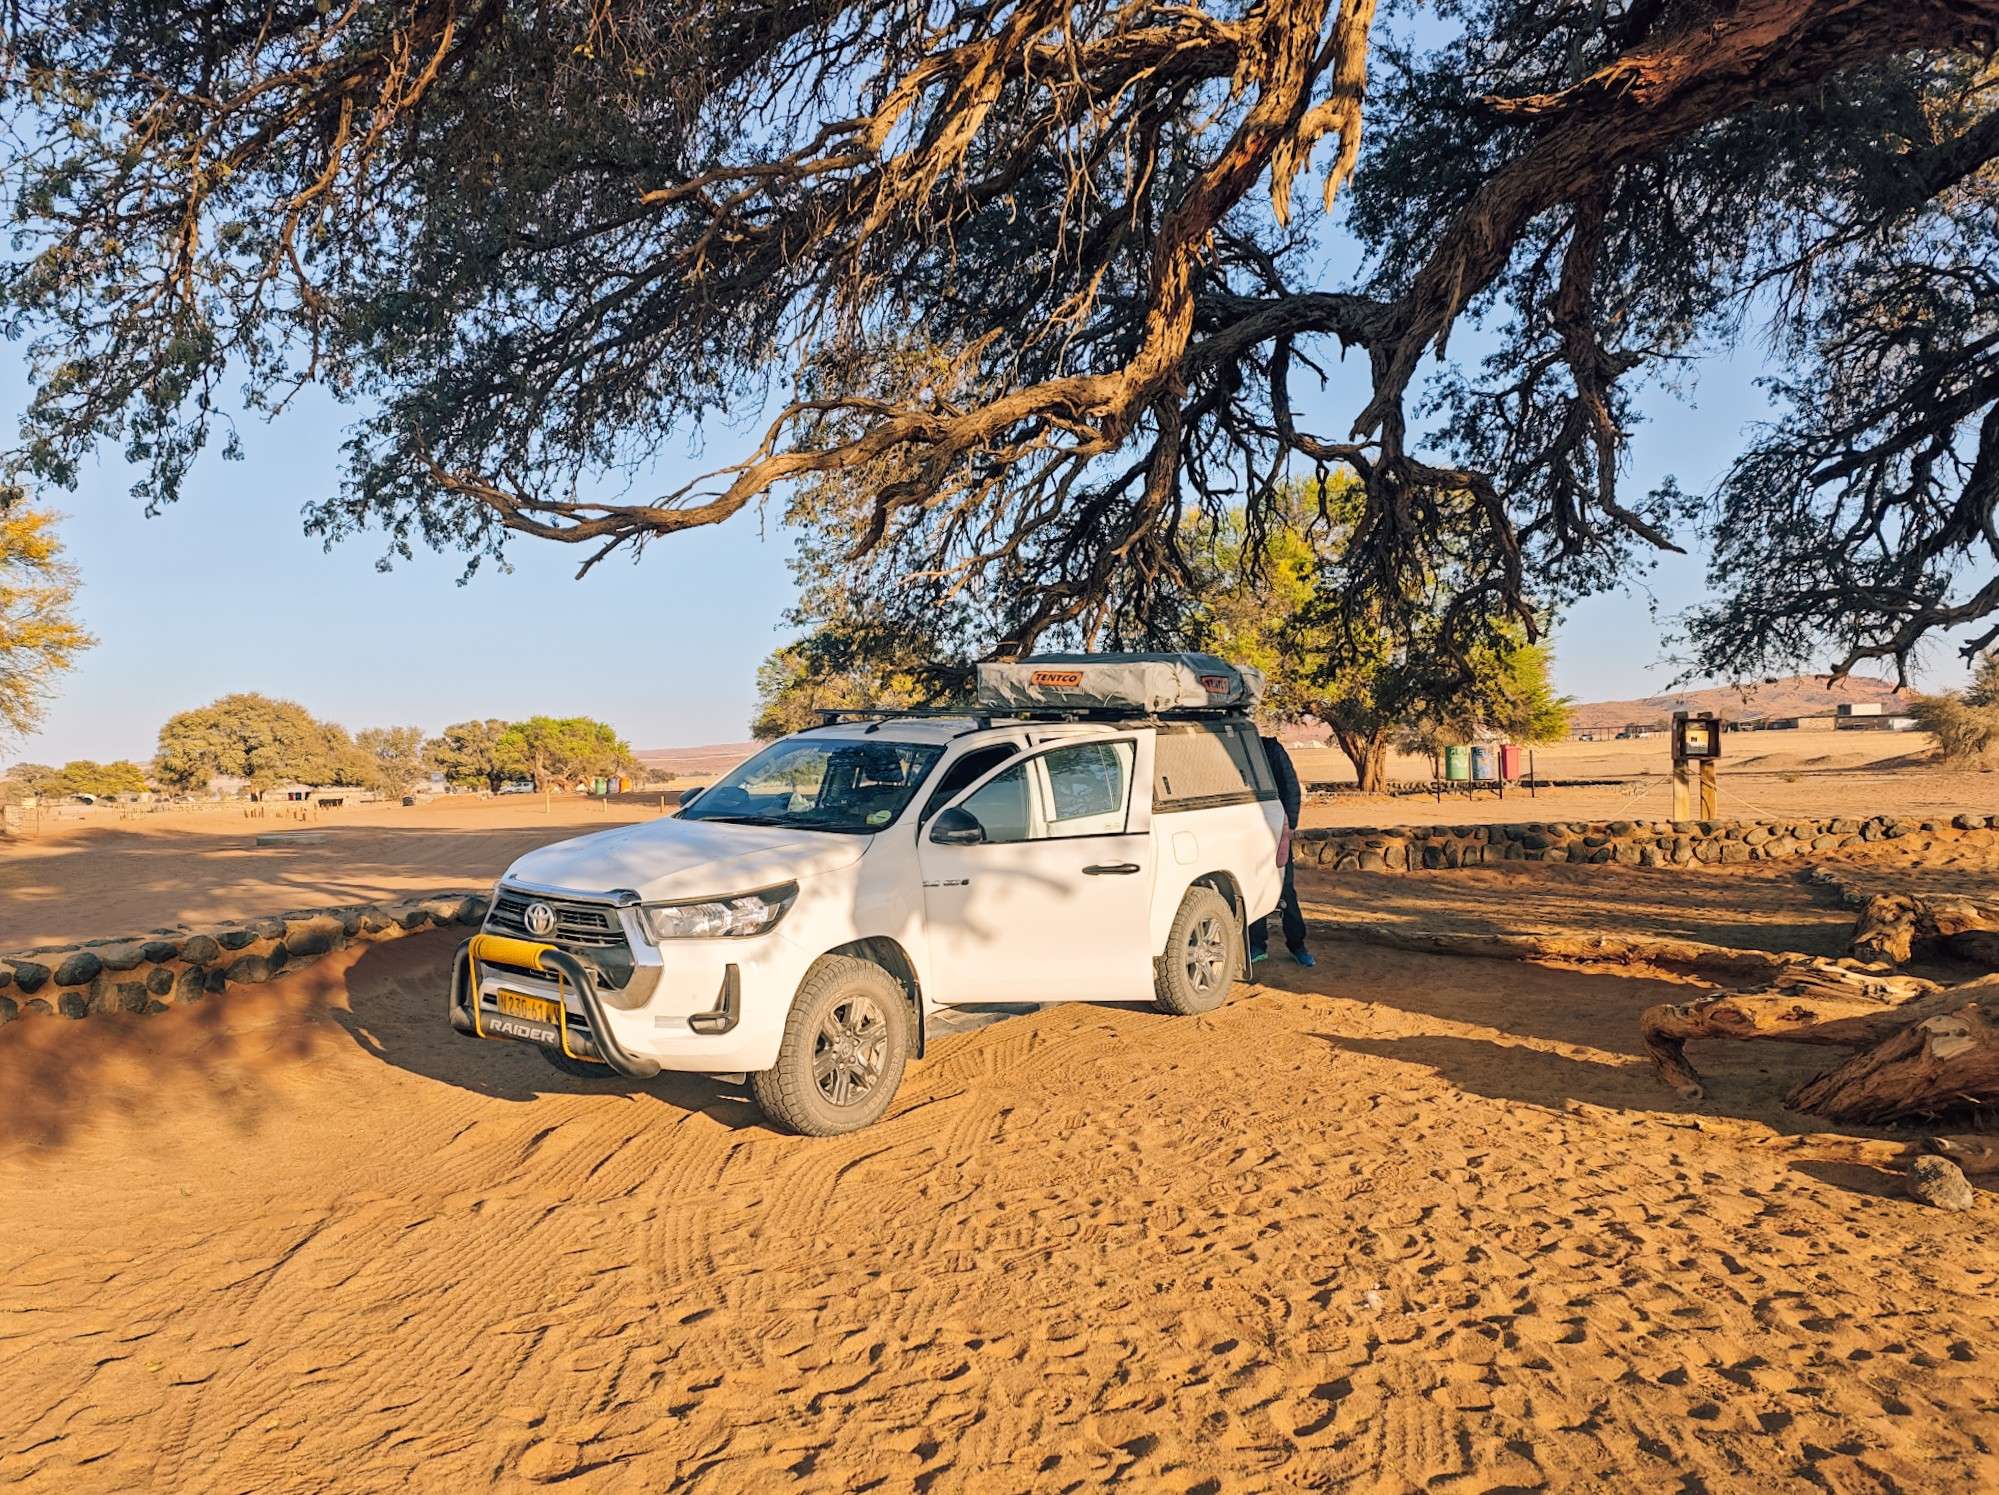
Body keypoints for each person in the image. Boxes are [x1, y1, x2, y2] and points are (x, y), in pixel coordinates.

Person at [1250, 730, 1314, 967]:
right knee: (1253, 888)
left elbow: (1290, 788)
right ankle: (1256, 944)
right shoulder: (1235, 748)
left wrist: (1289, 826)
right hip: (1247, 833)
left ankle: (1298, 945)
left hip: (1278, 832)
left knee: (1285, 890)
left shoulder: (1271, 750)